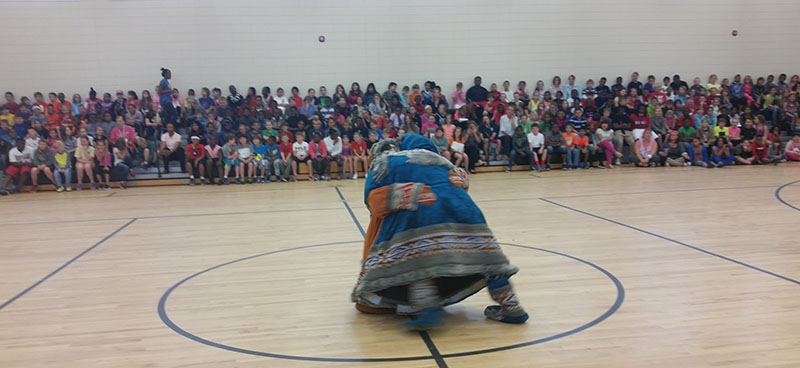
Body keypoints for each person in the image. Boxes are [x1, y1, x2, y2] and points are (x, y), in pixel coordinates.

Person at [353, 134, 528, 329]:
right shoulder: (444, 164)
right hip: (466, 214)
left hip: (423, 214)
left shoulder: (389, 162)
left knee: (421, 263)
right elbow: (463, 183)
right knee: (489, 262)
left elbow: (372, 199)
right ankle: (513, 307)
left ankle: (428, 312)